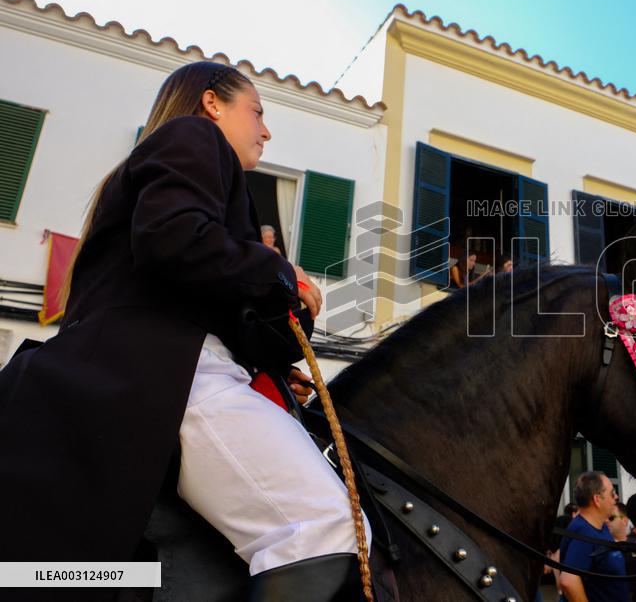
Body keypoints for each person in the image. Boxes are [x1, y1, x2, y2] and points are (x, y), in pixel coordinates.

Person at [0, 62, 367, 600]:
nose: (266, 131)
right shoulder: (195, 136)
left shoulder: (189, 173)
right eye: (257, 112)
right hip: (174, 373)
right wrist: (275, 271)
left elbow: (239, 324)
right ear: (213, 103)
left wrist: (294, 305)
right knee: (325, 526)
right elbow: (172, 238)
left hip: (170, 366)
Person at [559, 471, 630, 602]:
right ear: (597, 499)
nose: (616, 497)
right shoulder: (583, 530)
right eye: (612, 493)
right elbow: (568, 580)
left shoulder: (600, 525)